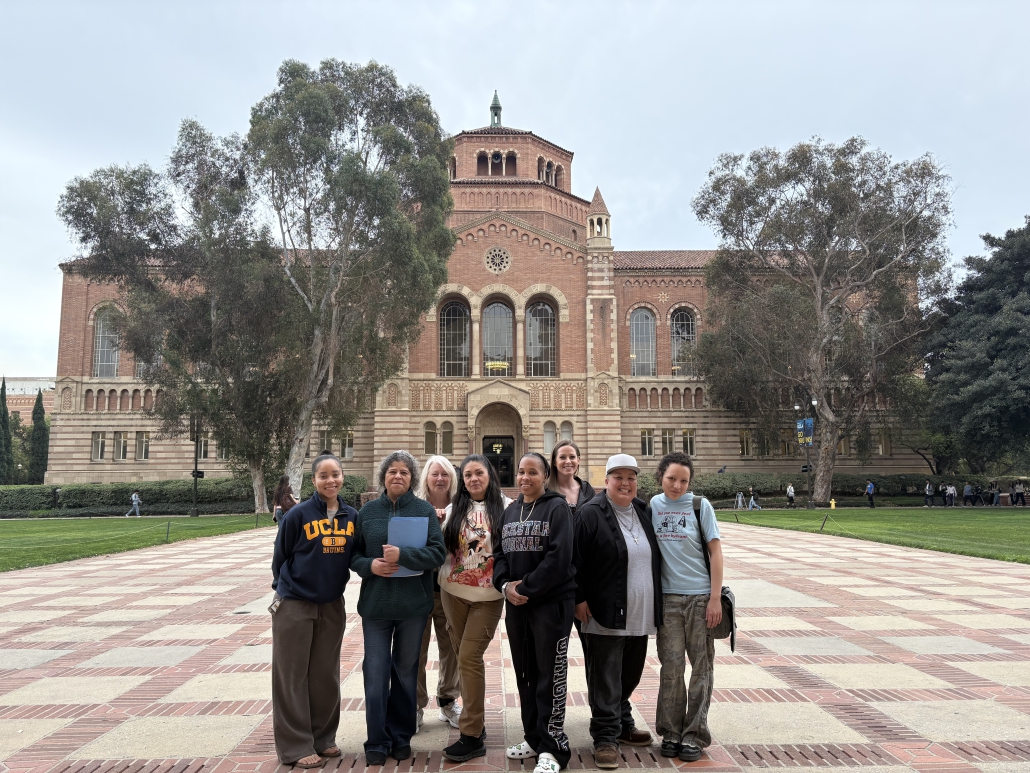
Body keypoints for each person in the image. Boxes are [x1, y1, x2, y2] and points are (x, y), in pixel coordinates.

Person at [352, 451, 446, 766]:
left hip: (412, 608)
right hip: (376, 607)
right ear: (383, 477)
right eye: (392, 471)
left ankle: (401, 736)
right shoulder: (367, 512)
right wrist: (371, 566)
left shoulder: (423, 511)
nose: (398, 477)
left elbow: (436, 554)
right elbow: (353, 557)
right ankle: (377, 740)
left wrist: (403, 556)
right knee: (376, 673)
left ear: (412, 478)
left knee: (405, 673)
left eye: (404, 472)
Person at [572, 454, 661, 769]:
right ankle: (605, 737)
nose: (625, 483)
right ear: (606, 480)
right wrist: (579, 599)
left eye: (631, 477)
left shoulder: (643, 510)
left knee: (630, 673)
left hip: (639, 612)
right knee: (606, 678)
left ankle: (622, 723)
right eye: (618, 477)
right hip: (603, 611)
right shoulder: (590, 513)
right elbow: (574, 561)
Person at [270, 452, 358, 768]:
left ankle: (323, 738)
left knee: (324, 675)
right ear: (314, 481)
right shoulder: (298, 515)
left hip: (332, 604)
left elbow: (355, 557)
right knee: (291, 677)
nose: (330, 480)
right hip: (295, 604)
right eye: (323, 475)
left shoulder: (351, 516)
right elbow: (279, 561)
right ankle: (295, 746)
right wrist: (288, 591)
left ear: (342, 477)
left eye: (335, 474)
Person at [494, 452, 576, 773]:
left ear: (545, 477)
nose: (525, 478)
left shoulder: (557, 508)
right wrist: (505, 587)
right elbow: (498, 553)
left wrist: (523, 588)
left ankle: (553, 747)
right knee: (525, 672)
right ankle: (533, 737)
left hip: (550, 605)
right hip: (517, 608)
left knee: (550, 674)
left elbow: (559, 558)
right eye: (521, 472)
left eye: (532, 472)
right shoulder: (511, 511)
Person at [650, 452, 723, 764]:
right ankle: (671, 731)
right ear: (660, 477)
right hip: (667, 600)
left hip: (699, 600)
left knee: (701, 668)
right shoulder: (653, 505)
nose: (677, 485)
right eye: (671, 479)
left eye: (683, 480)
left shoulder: (699, 506)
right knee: (672, 668)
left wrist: (715, 598)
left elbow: (716, 554)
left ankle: (694, 734)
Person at [438, 454, 512, 762]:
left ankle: (470, 734)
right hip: (452, 594)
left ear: (490, 476)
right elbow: (440, 548)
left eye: (478, 473)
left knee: (469, 657)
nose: (473, 479)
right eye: (467, 475)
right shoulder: (454, 509)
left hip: (488, 597)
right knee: (463, 658)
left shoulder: (507, 508)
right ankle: (475, 723)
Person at [414, 456, 462, 734]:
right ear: (426, 478)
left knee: (452, 649)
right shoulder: (415, 507)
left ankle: (447, 700)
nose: (440, 478)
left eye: (445, 474)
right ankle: (416, 705)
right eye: (435, 474)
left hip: (451, 590)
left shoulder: (462, 507)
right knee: (415, 651)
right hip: (419, 589)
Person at [547, 439, 596, 513]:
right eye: (562, 457)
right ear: (554, 462)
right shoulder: (544, 491)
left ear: (578, 460)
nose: (568, 461)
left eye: (572, 457)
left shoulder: (587, 490)